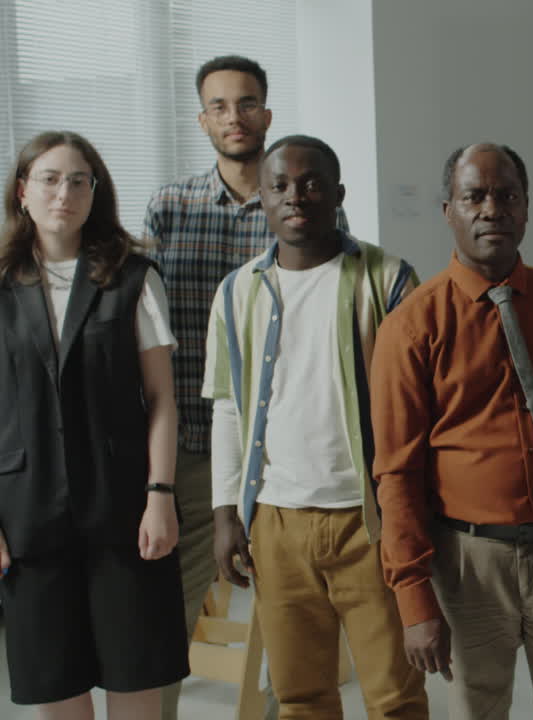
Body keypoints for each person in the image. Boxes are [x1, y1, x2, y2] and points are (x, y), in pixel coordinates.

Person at [371, 142, 533, 719]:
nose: (492, 209)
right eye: (474, 196)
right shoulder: (412, 326)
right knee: (476, 710)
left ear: (526, 208)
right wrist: (414, 602)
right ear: (449, 211)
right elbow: (396, 472)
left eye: (506, 195)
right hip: (466, 563)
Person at [142, 55, 347, 720]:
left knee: (300, 621)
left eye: (248, 102)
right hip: (196, 447)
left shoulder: (300, 200)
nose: (236, 117)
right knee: (164, 613)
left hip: (295, 453)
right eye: (221, 106)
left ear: (267, 111)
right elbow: (141, 318)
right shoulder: (170, 207)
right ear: (203, 119)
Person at [202, 135, 426, 719]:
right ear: (263, 199)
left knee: (395, 697)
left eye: (311, 183)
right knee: (300, 697)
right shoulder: (235, 293)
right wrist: (226, 513)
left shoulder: (391, 280)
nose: (295, 196)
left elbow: (423, 403)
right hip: (276, 525)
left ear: (337, 194)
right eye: (279, 186)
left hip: (369, 521)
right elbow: (227, 406)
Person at [0, 131, 188, 716]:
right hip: (26, 514)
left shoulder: (133, 277)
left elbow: (160, 398)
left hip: (124, 508)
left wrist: (161, 495)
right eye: (51, 179)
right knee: (57, 687)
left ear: (95, 192)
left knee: (136, 676)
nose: (65, 193)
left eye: (79, 180)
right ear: (24, 191)